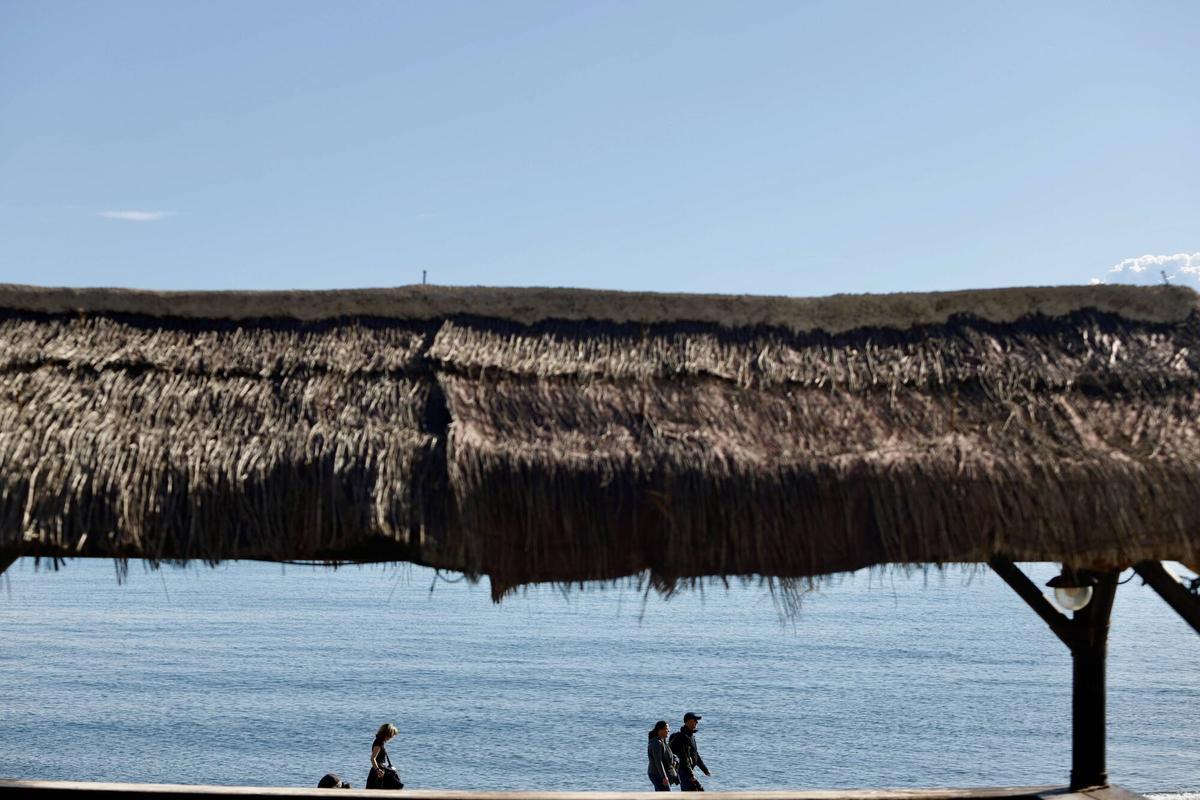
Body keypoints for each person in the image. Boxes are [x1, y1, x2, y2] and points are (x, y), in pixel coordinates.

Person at [668, 712, 711, 791]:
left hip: (688, 771)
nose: (697, 722)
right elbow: (684, 758)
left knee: (699, 792)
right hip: (683, 771)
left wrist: (704, 769)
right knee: (690, 794)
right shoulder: (683, 737)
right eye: (695, 720)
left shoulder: (691, 736)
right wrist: (691, 775)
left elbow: (695, 755)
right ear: (688, 721)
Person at [366, 722, 404, 790]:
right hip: (378, 772)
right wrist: (378, 770)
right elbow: (373, 758)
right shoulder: (379, 742)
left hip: (379, 771)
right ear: (387, 734)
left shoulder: (380, 742)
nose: (391, 738)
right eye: (391, 736)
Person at [647, 720, 678, 791]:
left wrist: (674, 758)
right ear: (659, 730)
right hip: (657, 774)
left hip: (659, 774)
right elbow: (658, 761)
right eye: (666, 729)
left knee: (660, 796)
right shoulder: (656, 743)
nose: (668, 730)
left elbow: (667, 755)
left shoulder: (662, 741)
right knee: (667, 795)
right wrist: (664, 777)